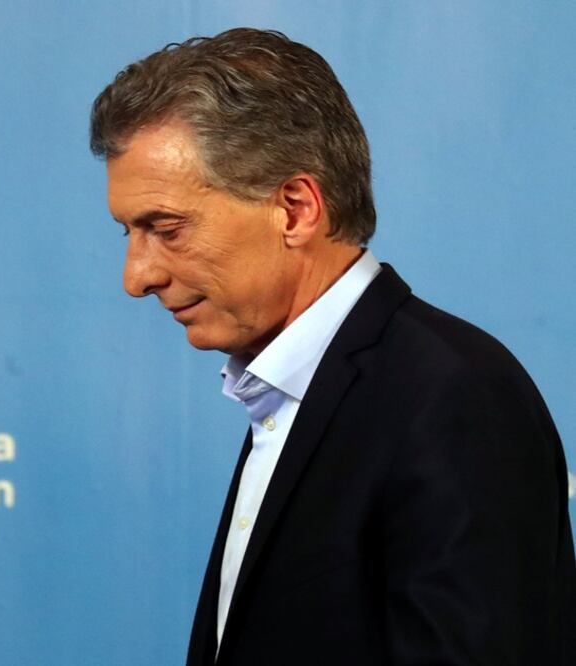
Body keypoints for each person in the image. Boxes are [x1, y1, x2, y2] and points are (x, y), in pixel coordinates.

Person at [89, 28, 576, 665]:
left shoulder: (453, 398)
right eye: (129, 232)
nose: (136, 276)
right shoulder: (298, 388)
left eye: (166, 228)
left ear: (295, 209)